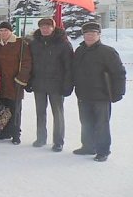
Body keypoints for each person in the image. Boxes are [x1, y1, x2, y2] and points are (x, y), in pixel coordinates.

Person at [72, 22, 126, 162]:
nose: (89, 36)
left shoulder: (107, 52)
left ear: (99, 35)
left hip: (101, 95)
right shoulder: (79, 51)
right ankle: (88, 146)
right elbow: (74, 71)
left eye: (93, 33)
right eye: (87, 34)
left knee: (102, 124)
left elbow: (119, 73)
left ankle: (103, 150)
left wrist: (118, 92)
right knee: (86, 122)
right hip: (83, 94)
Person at [27, 18, 73, 152]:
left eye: (48, 27)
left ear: (53, 28)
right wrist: (29, 81)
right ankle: (41, 137)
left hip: (56, 84)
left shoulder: (63, 43)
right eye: (42, 27)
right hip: (39, 83)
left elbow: (68, 66)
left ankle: (58, 141)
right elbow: (30, 64)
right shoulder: (34, 43)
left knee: (57, 114)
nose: (45, 29)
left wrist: (67, 84)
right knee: (40, 112)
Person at [0, 21, 32, 145]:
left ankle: (15, 134)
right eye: (1, 31)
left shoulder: (20, 43)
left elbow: (26, 63)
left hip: (14, 83)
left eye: (6, 31)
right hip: (0, 83)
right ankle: (4, 131)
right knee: (3, 109)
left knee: (15, 109)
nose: (3, 33)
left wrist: (21, 78)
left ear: (11, 31)